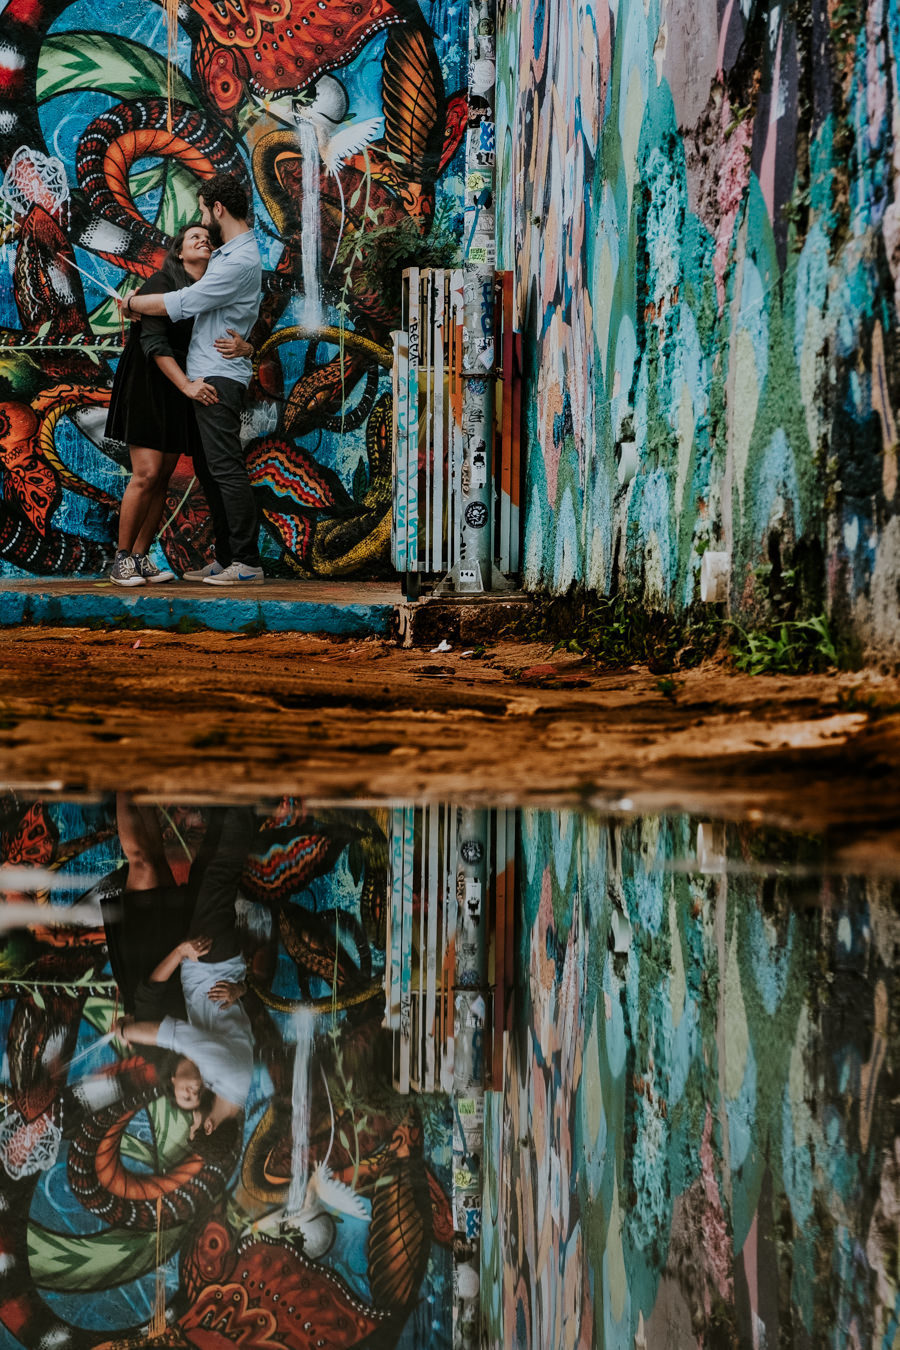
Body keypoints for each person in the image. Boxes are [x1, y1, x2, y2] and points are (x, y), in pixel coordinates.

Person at [119, 173, 264, 586]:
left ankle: (246, 562)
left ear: (217, 209)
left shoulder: (237, 260)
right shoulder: (227, 255)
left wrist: (130, 302)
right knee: (210, 470)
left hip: (217, 378)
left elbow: (184, 304)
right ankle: (225, 558)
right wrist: (249, 347)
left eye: (203, 210)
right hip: (205, 375)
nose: (201, 221)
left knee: (225, 469)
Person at [112, 804, 259, 1135]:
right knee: (216, 871)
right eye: (193, 1125)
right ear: (208, 1126)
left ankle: (230, 803)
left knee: (175, 866)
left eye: (187, 1096)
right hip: (203, 956)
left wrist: (239, 988)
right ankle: (240, 800)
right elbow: (184, 1035)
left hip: (175, 955)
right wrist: (125, 1033)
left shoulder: (221, 1080)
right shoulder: (220, 1076)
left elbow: (236, 1028)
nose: (194, 1094)